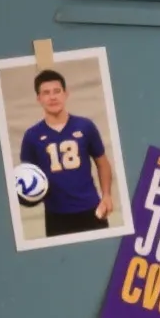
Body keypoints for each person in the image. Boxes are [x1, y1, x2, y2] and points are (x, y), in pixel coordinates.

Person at [19, 68, 115, 238]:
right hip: (56, 215)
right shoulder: (31, 136)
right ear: (38, 98)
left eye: (57, 91)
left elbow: (102, 162)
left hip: (91, 209)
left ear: (66, 94)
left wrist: (106, 195)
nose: (53, 97)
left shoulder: (85, 126)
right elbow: (26, 176)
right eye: (46, 93)